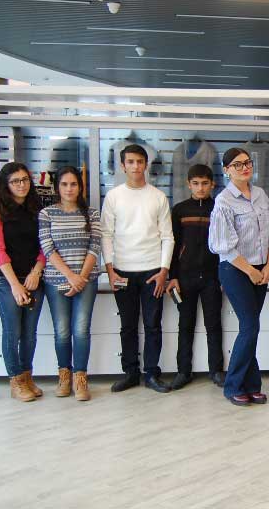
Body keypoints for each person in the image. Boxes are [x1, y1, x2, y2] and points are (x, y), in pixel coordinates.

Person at [101, 144, 174, 394]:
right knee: (128, 325)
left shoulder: (158, 197)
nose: (135, 166)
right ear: (123, 166)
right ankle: (130, 373)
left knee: (153, 325)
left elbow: (168, 237)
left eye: (139, 161)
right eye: (130, 162)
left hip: (152, 271)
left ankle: (151, 374)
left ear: (146, 164)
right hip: (122, 271)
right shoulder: (114, 197)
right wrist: (110, 270)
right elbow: (106, 235)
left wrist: (164, 271)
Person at [209, 147, 269, 407]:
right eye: (237, 165)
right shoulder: (224, 201)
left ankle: (251, 385)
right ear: (226, 170)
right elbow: (223, 246)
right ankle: (234, 385)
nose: (244, 167)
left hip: (261, 268)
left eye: (247, 162)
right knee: (250, 326)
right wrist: (251, 270)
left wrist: (268, 265)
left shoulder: (260, 194)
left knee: (251, 326)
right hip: (235, 269)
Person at [39, 166, 101, 401]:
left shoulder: (91, 214)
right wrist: (70, 276)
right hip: (56, 281)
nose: (69, 189)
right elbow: (48, 248)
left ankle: (81, 379)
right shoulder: (47, 214)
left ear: (80, 187)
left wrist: (81, 278)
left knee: (81, 330)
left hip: (86, 281)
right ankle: (64, 376)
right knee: (62, 331)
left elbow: (95, 247)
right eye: (64, 184)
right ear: (57, 187)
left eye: (73, 184)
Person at [0, 162, 46, 403]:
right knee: (13, 332)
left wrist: (36, 272)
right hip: (7, 282)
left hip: (34, 279)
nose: (21, 185)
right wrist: (15, 285)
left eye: (25, 180)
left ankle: (27, 377)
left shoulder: (37, 208)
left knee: (30, 334)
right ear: (6, 185)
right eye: (15, 181)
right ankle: (15, 380)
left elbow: (45, 246)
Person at [165, 164, 225, 390]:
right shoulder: (180, 210)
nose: (200, 188)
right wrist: (173, 276)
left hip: (212, 277)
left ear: (213, 184)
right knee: (185, 325)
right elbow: (173, 245)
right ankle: (183, 372)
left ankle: (216, 371)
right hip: (185, 277)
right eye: (196, 183)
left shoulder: (219, 208)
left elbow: (225, 245)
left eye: (205, 183)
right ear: (188, 184)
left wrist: (223, 277)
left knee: (214, 325)